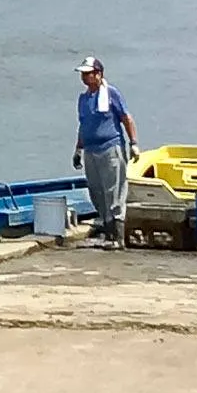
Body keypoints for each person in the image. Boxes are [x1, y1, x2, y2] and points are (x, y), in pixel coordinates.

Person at [71, 56, 139, 250]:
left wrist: (133, 143)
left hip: (110, 148)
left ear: (99, 74)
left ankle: (118, 237)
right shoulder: (83, 99)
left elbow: (126, 118)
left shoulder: (111, 94)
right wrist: (78, 149)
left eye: (88, 74)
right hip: (91, 150)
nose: (84, 77)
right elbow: (83, 125)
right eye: (83, 74)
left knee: (114, 191)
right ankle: (108, 233)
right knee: (96, 192)